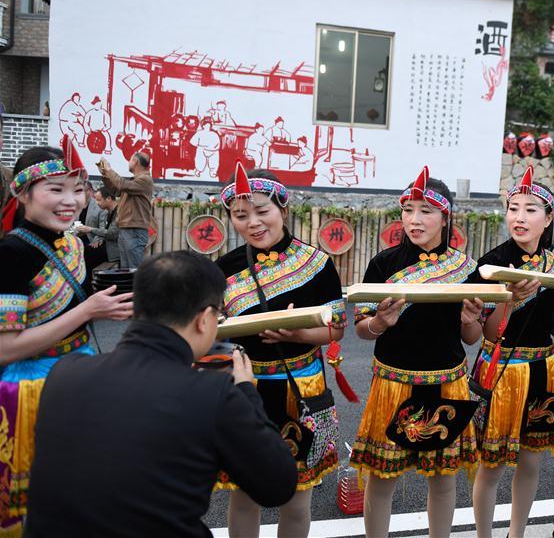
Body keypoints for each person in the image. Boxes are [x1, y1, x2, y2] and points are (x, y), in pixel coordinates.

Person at [24, 251, 298, 537]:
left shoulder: (64, 373)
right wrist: (246, 392)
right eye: (219, 314)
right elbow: (278, 485)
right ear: (204, 319)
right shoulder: (212, 395)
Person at [0, 145, 133, 536]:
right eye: (55, 189)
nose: (71, 201)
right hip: (34, 392)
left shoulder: (72, 243)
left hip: (82, 376)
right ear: (22, 194)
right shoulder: (11, 253)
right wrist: (89, 310)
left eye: (78, 189)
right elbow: (5, 348)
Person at [216, 162, 349, 538]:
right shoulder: (224, 268)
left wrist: (297, 335)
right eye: (241, 215)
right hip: (246, 389)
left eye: (262, 211)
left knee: (297, 495)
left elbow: (336, 328)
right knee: (244, 494)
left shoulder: (318, 264)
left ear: (284, 210)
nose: (253, 223)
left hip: (302, 389)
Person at [351, 166, 483, 538]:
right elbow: (362, 329)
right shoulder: (383, 264)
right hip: (394, 383)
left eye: (426, 211)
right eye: (408, 210)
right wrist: (380, 323)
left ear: (446, 217)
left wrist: (471, 319)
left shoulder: (465, 269)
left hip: (447, 384)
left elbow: (471, 338)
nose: (414, 219)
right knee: (382, 477)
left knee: (442, 479)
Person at [471, 166, 554, 538]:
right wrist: (510, 300)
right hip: (500, 368)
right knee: (491, 465)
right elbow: (485, 334)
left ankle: (516, 533)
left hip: (543, 369)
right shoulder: (489, 266)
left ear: (549, 217)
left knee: (531, 459)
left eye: (531, 209)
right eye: (514, 208)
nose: (519, 217)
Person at [97, 150, 154, 269]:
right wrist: (105, 175)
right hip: (126, 229)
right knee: (126, 269)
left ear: (136, 161)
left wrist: (109, 170)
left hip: (134, 230)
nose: (128, 162)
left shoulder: (145, 180)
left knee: (133, 270)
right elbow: (115, 191)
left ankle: (137, 288)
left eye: (130, 159)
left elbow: (121, 185)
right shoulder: (134, 181)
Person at [78, 187, 120, 267]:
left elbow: (111, 234)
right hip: (107, 246)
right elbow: (103, 230)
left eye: (99, 200)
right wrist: (99, 238)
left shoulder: (118, 213)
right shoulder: (108, 212)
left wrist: (90, 229)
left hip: (114, 251)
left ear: (109, 198)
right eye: (96, 200)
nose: (97, 203)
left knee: (87, 253)